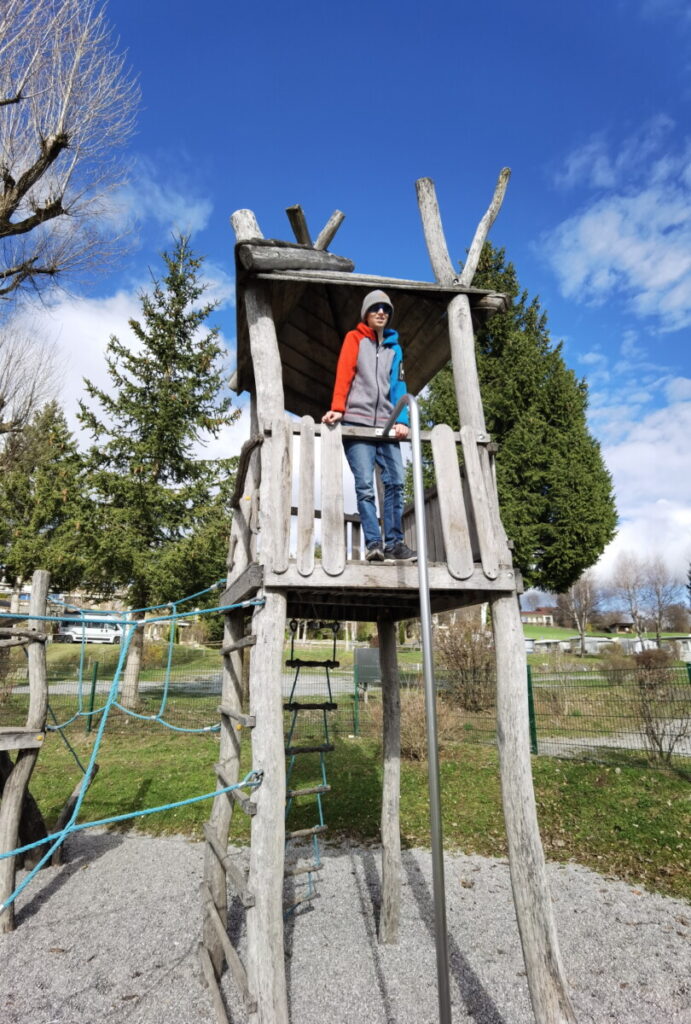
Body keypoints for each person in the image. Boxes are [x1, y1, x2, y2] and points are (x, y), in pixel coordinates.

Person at [322, 289, 417, 563]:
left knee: (396, 482)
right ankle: (374, 543)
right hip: (357, 421)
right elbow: (345, 372)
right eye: (375, 308)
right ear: (366, 312)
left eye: (386, 309)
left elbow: (399, 385)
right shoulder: (355, 339)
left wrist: (402, 421)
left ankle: (395, 543)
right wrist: (338, 408)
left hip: (387, 425)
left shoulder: (394, 348)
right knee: (365, 485)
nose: (381, 313)